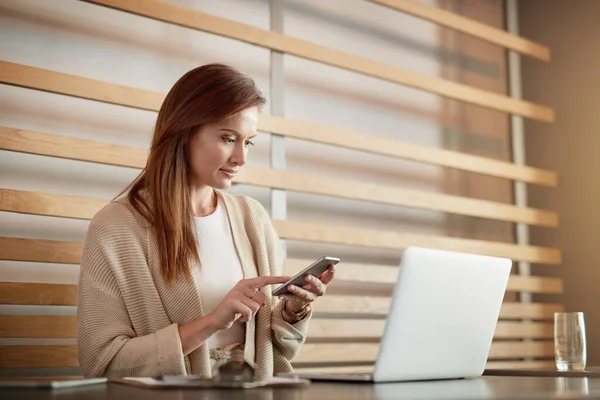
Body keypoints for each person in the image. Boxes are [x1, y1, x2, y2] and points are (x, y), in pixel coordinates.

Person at [77, 63, 336, 379]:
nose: (241, 158)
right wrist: (213, 320)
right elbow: (101, 362)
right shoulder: (115, 227)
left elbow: (277, 352)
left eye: (249, 141)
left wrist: (295, 311)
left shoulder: (252, 219)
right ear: (184, 132)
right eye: (228, 138)